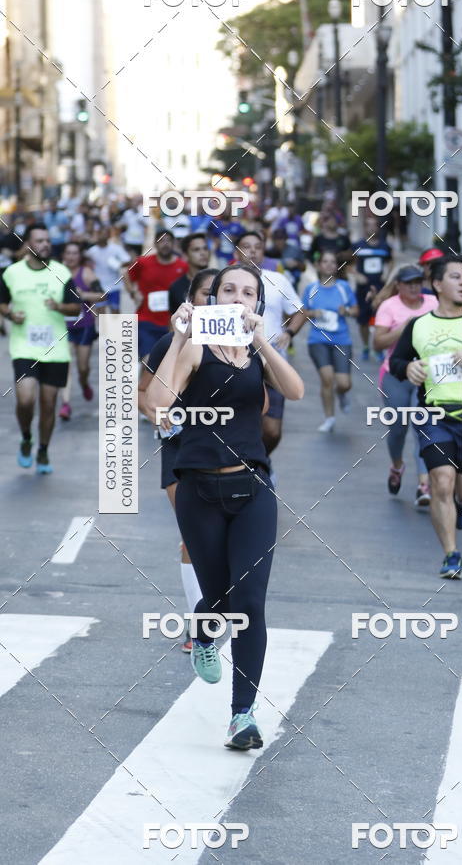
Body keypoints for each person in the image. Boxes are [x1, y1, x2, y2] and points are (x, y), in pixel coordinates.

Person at [146, 264, 304, 749]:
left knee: (250, 603)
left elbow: (294, 390)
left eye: (248, 292)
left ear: (257, 302)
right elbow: (157, 402)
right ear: (212, 297)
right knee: (222, 599)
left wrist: (262, 341)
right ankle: (203, 623)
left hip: (253, 488)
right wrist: (178, 338)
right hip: (199, 491)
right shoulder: (194, 344)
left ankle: (243, 715)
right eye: (228, 290)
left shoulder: (256, 348)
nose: (238, 297)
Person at [139, 268, 219, 652]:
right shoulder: (168, 344)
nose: (213, 300)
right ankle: (198, 624)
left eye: (219, 294)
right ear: (191, 299)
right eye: (206, 293)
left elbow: (263, 402)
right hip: (180, 448)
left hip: (228, 451)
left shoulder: (241, 347)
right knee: (193, 535)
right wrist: (161, 415)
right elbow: (142, 394)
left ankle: (218, 605)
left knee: (222, 539)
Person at [389, 256, 462, 578]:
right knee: (440, 481)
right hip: (434, 415)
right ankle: (451, 554)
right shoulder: (418, 325)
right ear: (438, 285)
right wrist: (408, 368)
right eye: (456, 277)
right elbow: (397, 362)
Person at [0, 224, 81, 473]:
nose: (46, 244)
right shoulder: (11, 273)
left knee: (48, 404)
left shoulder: (61, 272)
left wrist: (58, 307)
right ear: (28, 245)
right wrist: (11, 314)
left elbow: (76, 308)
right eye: (40, 241)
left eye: (47, 240)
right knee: (25, 399)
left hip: (55, 349)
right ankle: (26, 437)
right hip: (24, 347)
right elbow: (2, 303)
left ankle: (43, 450)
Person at [235, 232, 305, 457]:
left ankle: (261, 461)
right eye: (246, 246)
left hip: (271, 359)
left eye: (257, 246)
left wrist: (290, 332)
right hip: (234, 360)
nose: (252, 251)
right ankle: (247, 467)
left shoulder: (278, 280)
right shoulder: (225, 280)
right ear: (237, 251)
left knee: (272, 431)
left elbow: (300, 311)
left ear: (264, 251)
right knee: (239, 423)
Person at [374, 265, 439, 504]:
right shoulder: (389, 307)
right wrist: (403, 328)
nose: (414, 286)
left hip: (427, 375)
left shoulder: (433, 302)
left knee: (423, 426)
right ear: (398, 285)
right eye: (409, 282)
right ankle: (397, 465)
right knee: (398, 427)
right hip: (396, 375)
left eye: (418, 282)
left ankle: (424, 484)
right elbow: (378, 343)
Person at [302, 250, 358, 432]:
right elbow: (302, 313)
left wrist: (347, 311)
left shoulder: (343, 287)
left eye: (332, 262)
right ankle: (329, 418)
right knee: (327, 379)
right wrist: (312, 313)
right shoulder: (311, 289)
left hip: (341, 338)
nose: (328, 265)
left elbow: (356, 310)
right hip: (318, 339)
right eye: (324, 261)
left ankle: (341, 395)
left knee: (344, 383)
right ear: (318, 266)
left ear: (336, 266)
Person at [122, 229, 187, 361]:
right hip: (146, 320)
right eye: (161, 241)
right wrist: (133, 292)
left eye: (168, 240)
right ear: (155, 244)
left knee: (166, 363)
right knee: (148, 360)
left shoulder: (183, 266)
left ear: (174, 244)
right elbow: (126, 274)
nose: (165, 244)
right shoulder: (143, 263)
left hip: (172, 324)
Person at [58, 242, 105, 421]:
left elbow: (103, 294)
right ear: (63, 255)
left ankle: (84, 383)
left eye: (74, 253)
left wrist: (83, 296)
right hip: (63, 325)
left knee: (82, 367)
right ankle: (66, 404)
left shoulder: (86, 273)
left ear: (80, 256)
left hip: (84, 325)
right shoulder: (57, 272)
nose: (71, 257)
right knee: (66, 365)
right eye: (68, 253)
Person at [352, 214, 393, 361]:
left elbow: (390, 261)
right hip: (363, 288)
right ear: (364, 227)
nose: (371, 228)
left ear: (378, 227)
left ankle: (378, 347)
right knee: (363, 319)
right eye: (368, 225)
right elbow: (349, 265)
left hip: (380, 288)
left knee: (380, 318)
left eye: (374, 225)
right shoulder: (358, 245)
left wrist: (387, 274)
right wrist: (357, 276)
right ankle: (365, 346)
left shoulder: (385, 246)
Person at [85, 225, 130, 314]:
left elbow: (127, 260)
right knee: (101, 313)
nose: (102, 236)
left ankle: (116, 328)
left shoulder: (115, 248)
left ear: (108, 236)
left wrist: (118, 264)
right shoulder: (91, 251)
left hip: (114, 286)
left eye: (104, 234)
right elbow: (85, 264)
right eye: (99, 234)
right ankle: (105, 328)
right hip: (99, 288)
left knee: (115, 311)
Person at [168, 233, 211, 314]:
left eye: (205, 248)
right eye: (196, 249)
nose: (203, 253)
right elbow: (172, 321)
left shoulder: (219, 281)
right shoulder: (176, 287)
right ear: (185, 256)